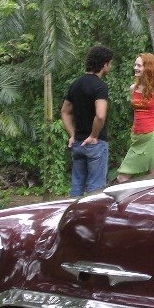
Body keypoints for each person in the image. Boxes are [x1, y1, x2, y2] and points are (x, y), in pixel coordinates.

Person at [61, 45, 114, 197]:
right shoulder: (100, 86)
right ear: (104, 64)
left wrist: (72, 135)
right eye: (110, 63)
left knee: (76, 187)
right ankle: (92, 220)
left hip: (78, 143)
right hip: (95, 145)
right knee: (95, 190)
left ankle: (72, 218)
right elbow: (100, 115)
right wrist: (94, 135)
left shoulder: (75, 84)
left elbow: (65, 112)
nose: (110, 66)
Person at [116, 53, 154, 182]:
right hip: (137, 139)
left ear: (148, 68)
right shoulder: (133, 88)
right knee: (122, 178)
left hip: (153, 138)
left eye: (139, 65)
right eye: (135, 64)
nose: (135, 67)